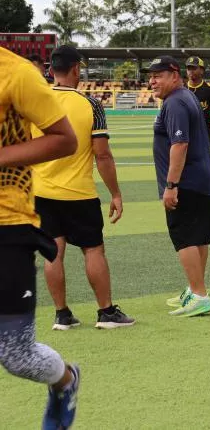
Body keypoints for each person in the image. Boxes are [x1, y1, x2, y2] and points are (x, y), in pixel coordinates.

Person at [0, 46, 81, 428]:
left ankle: (65, 381)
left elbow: (65, 139)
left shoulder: (15, 73)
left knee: (17, 355)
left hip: (7, 222)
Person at [32, 45, 135, 330]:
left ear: (51, 70)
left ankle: (62, 315)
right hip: (79, 193)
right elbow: (102, 155)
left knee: (54, 251)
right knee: (93, 250)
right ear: (77, 69)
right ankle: (106, 312)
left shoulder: (34, 101)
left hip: (41, 191)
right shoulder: (90, 104)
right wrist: (115, 193)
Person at [146, 56, 210, 317]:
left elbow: (180, 144)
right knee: (198, 235)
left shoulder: (175, 102)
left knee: (185, 237)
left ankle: (199, 294)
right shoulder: (186, 96)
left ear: (174, 76)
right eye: (151, 76)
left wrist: (171, 185)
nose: (152, 81)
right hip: (201, 177)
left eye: (159, 75)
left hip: (185, 181)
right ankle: (196, 289)